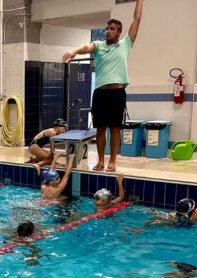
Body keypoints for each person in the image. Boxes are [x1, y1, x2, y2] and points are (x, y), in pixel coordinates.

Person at [62, 0, 143, 172]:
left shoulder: (126, 44)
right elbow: (87, 46)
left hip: (117, 93)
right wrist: (74, 51)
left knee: (114, 129)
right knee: (100, 130)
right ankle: (100, 160)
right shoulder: (98, 46)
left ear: (119, 32)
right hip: (100, 93)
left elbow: (136, 19)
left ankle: (112, 161)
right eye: (107, 29)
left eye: (112, 29)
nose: (107, 32)